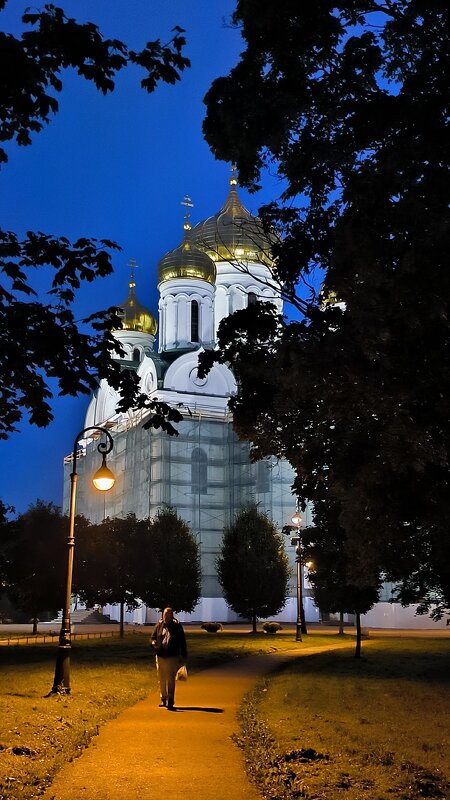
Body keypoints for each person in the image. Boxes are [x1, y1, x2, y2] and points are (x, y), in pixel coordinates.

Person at [151, 607, 187, 710]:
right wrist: (153, 643)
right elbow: (152, 637)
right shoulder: (159, 625)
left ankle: (170, 699)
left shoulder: (177, 627)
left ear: (172, 616)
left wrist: (183, 655)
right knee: (161, 678)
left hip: (172, 656)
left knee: (170, 678)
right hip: (161, 655)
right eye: (164, 615)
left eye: (168, 615)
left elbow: (182, 641)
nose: (166, 617)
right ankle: (163, 698)